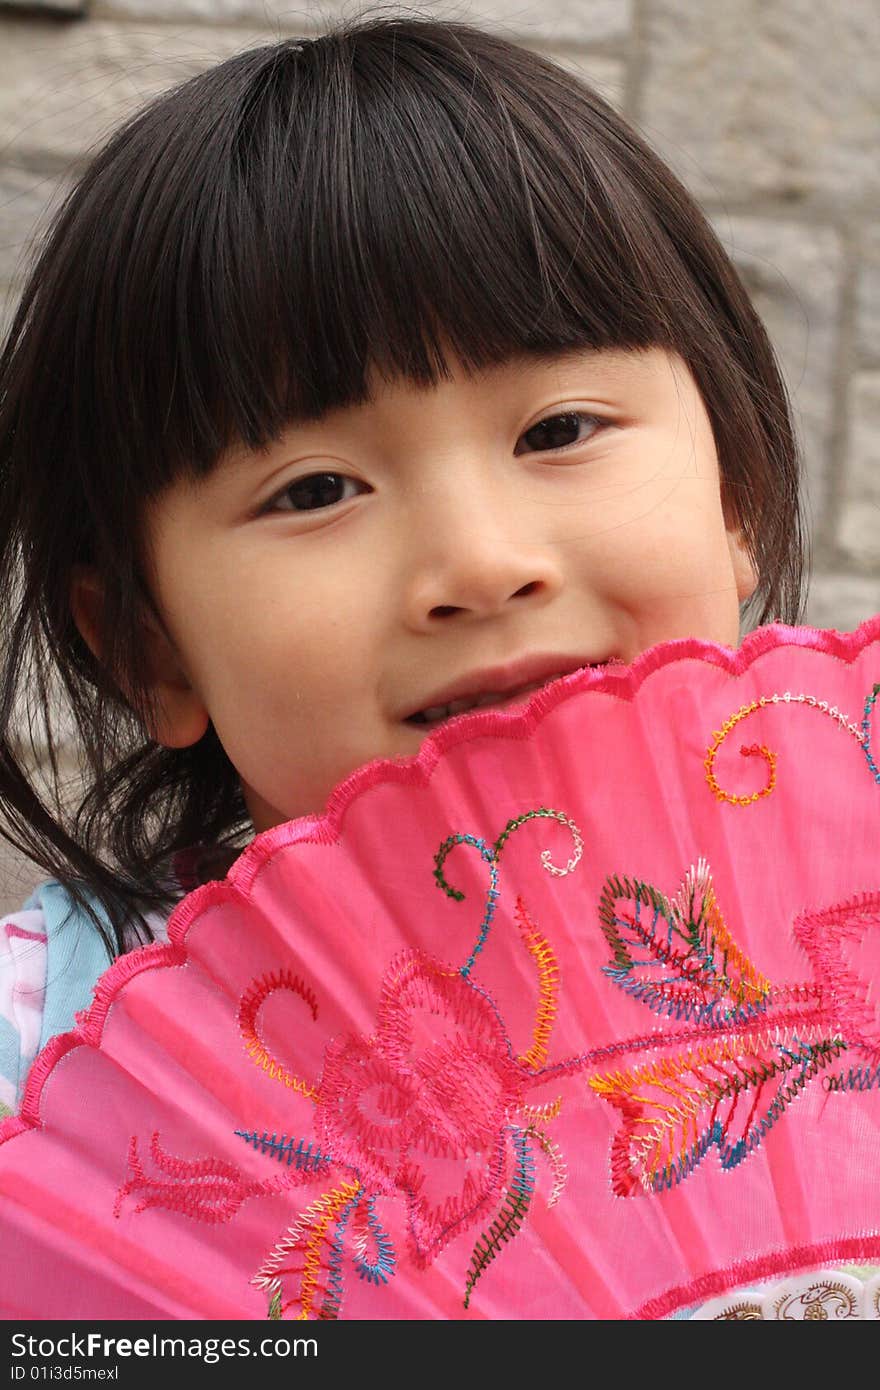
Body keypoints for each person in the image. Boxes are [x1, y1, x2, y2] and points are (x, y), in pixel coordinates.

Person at [0, 14, 808, 1306]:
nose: (482, 563)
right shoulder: (40, 1065)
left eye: (559, 426)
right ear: (147, 647)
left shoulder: (853, 932)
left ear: (740, 497)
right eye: (315, 486)